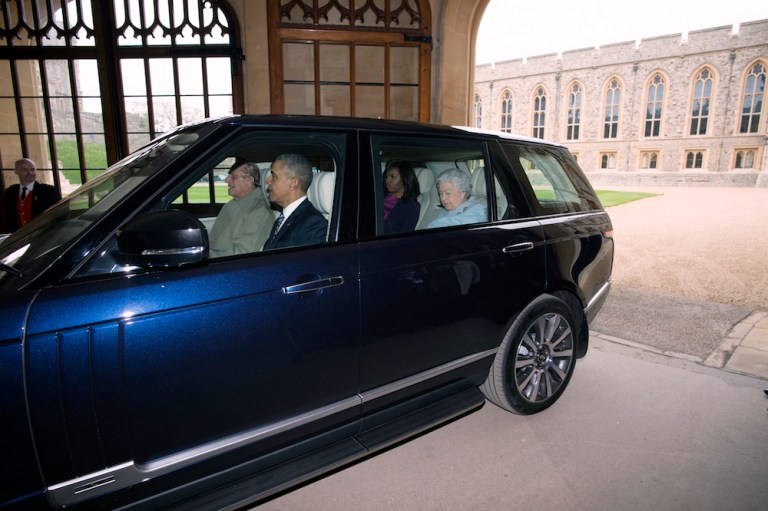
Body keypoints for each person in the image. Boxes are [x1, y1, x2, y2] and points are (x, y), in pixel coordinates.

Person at [208, 160, 273, 258]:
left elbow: (240, 256)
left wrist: (204, 255)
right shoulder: (232, 204)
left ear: (249, 181)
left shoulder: (259, 212)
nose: (226, 180)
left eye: (233, 177)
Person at [262, 153, 327, 250]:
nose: (267, 181)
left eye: (274, 176)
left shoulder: (313, 224)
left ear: (293, 184)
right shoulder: (283, 218)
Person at [4, 158, 61, 232]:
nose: (30, 172)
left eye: (32, 169)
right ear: (16, 171)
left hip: (43, 236)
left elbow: (59, 215)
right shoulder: (10, 193)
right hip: (17, 239)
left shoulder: (48, 191)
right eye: (25, 169)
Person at [382, 159, 420, 233]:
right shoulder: (379, 196)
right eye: (387, 176)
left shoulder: (410, 207)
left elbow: (403, 238)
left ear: (405, 178)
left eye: (393, 177)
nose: (387, 180)